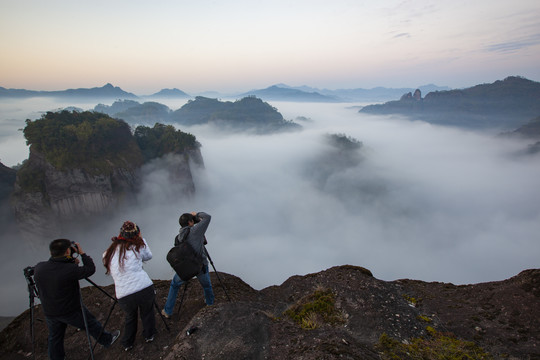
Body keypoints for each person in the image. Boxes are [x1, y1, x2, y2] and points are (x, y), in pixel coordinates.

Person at [34, 239, 120, 360]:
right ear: (68, 251)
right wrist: (82, 254)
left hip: (50, 311)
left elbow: (56, 270)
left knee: (55, 337)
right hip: (70, 310)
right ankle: (107, 339)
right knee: (91, 323)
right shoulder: (69, 270)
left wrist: (69, 262)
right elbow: (90, 269)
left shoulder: (39, 268)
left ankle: (56, 357)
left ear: (51, 252)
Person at [103, 221, 156, 352]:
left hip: (124, 294)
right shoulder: (137, 247)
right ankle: (149, 335)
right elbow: (149, 256)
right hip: (144, 287)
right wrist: (142, 240)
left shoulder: (107, 253)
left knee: (130, 317)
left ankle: (128, 343)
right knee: (147, 313)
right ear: (136, 235)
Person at [162, 211, 214, 318]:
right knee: (207, 286)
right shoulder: (195, 231)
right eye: (192, 220)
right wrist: (196, 214)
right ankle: (210, 305)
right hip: (200, 265)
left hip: (185, 268)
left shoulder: (180, 236)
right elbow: (207, 217)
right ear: (190, 222)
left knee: (174, 285)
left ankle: (168, 310)